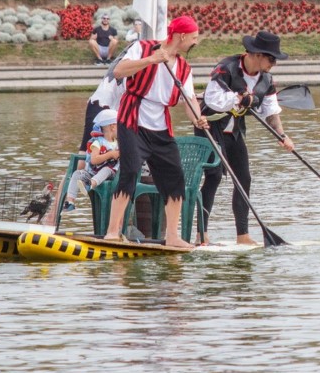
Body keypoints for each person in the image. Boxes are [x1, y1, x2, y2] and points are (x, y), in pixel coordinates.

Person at [106, 15, 209, 247]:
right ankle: (113, 231)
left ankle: (172, 236)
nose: (196, 42)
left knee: (175, 177)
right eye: (194, 37)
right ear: (181, 36)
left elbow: (190, 99)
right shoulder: (142, 48)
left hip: (161, 127)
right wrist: (151, 60)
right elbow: (119, 71)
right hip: (133, 121)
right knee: (131, 171)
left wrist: (198, 118)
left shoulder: (184, 68)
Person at [195, 31, 295, 245]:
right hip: (210, 127)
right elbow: (212, 100)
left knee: (244, 178)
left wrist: (282, 135)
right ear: (258, 55)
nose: (274, 64)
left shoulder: (266, 79)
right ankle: (201, 235)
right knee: (214, 176)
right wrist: (239, 98)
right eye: (272, 59)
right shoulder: (226, 68)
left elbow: (270, 111)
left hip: (235, 131)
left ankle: (243, 236)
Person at [66, 108, 121, 208]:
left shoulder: (118, 143)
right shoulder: (97, 142)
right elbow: (94, 160)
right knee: (77, 173)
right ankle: (70, 201)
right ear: (113, 127)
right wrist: (110, 154)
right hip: (93, 172)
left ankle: (90, 184)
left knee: (106, 170)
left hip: (110, 173)